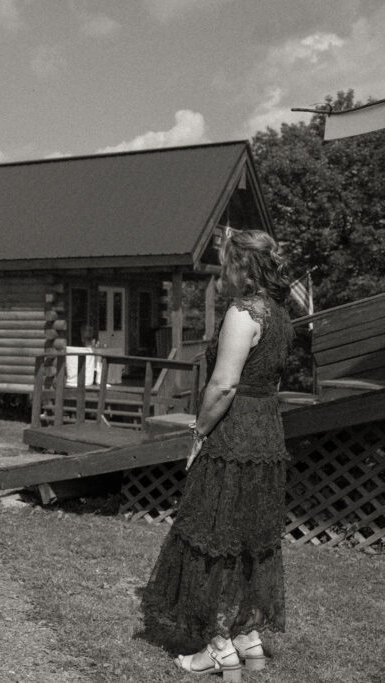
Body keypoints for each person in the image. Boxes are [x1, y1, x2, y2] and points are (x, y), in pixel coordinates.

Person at [141, 229, 294, 679]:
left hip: (234, 436)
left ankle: (218, 648)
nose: (223, 274)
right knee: (250, 538)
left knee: (213, 537)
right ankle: (250, 640)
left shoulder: (242, 313)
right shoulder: (282, 315)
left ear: (243, 266)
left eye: (227, 264)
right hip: (267, 432)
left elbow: (224, 384)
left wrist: (200, 431)